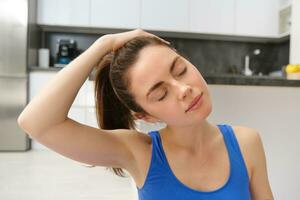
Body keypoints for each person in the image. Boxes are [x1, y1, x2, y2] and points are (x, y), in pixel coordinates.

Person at [18, 29, 274, 200]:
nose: (184, 89)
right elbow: (36, 122)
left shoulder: (246, 142)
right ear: (145, 116)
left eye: (180, 69)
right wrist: (103, 44)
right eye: (160, 94)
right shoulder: (139, 153)